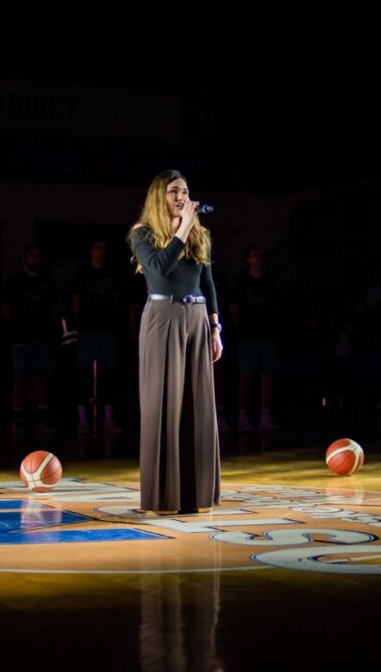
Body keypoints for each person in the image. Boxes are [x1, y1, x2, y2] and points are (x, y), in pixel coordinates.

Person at [127, 170, 222, 514]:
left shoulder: (200, 234)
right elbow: (160, 268)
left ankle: (198, 495)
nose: (181, 197)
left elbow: (207, 282)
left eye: (184, 191)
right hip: (163, 317)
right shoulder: (142, 233)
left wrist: (216, 327)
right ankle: (164, 497)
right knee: (164, 405)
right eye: (173, 192)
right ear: (159, 197)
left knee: (199, 406)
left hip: (197, 318)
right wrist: (182, 229)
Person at [2, 244, 58, 437]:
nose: (34, 259)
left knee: (41, 377)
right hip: (21, 337)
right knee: (20, 378)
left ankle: (41, 420)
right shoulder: (15, 281)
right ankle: (17, 419)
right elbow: (6, 308)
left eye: (37, 256)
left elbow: (53, 307)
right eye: (30, 255)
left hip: (42, 336)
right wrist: (14, 328)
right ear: (24, 258)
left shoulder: (47, 281)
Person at [70, 239, 124, 435]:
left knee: (108, 375)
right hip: (87, 331)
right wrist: (78, 326)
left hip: (107, 331)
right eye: (98, 248)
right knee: (83, 375)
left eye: (104, 249)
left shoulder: (112, 274)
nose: (102, 252)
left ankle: (108, 419)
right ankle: (82, 420)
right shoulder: (82, 274)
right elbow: (75, 301)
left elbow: (117, 300)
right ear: (91, 250)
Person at [230, 246, 281, 431]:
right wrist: (241, 327)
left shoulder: (270, 280)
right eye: (254, 255)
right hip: (248, 335)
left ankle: (265, 416)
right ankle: (242, 416)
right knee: (246, 375)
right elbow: (234, 307)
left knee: (267, 375)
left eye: (260, 255)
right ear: (248, 260)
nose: (258, 258)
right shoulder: (241, 281)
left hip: (268, 334)